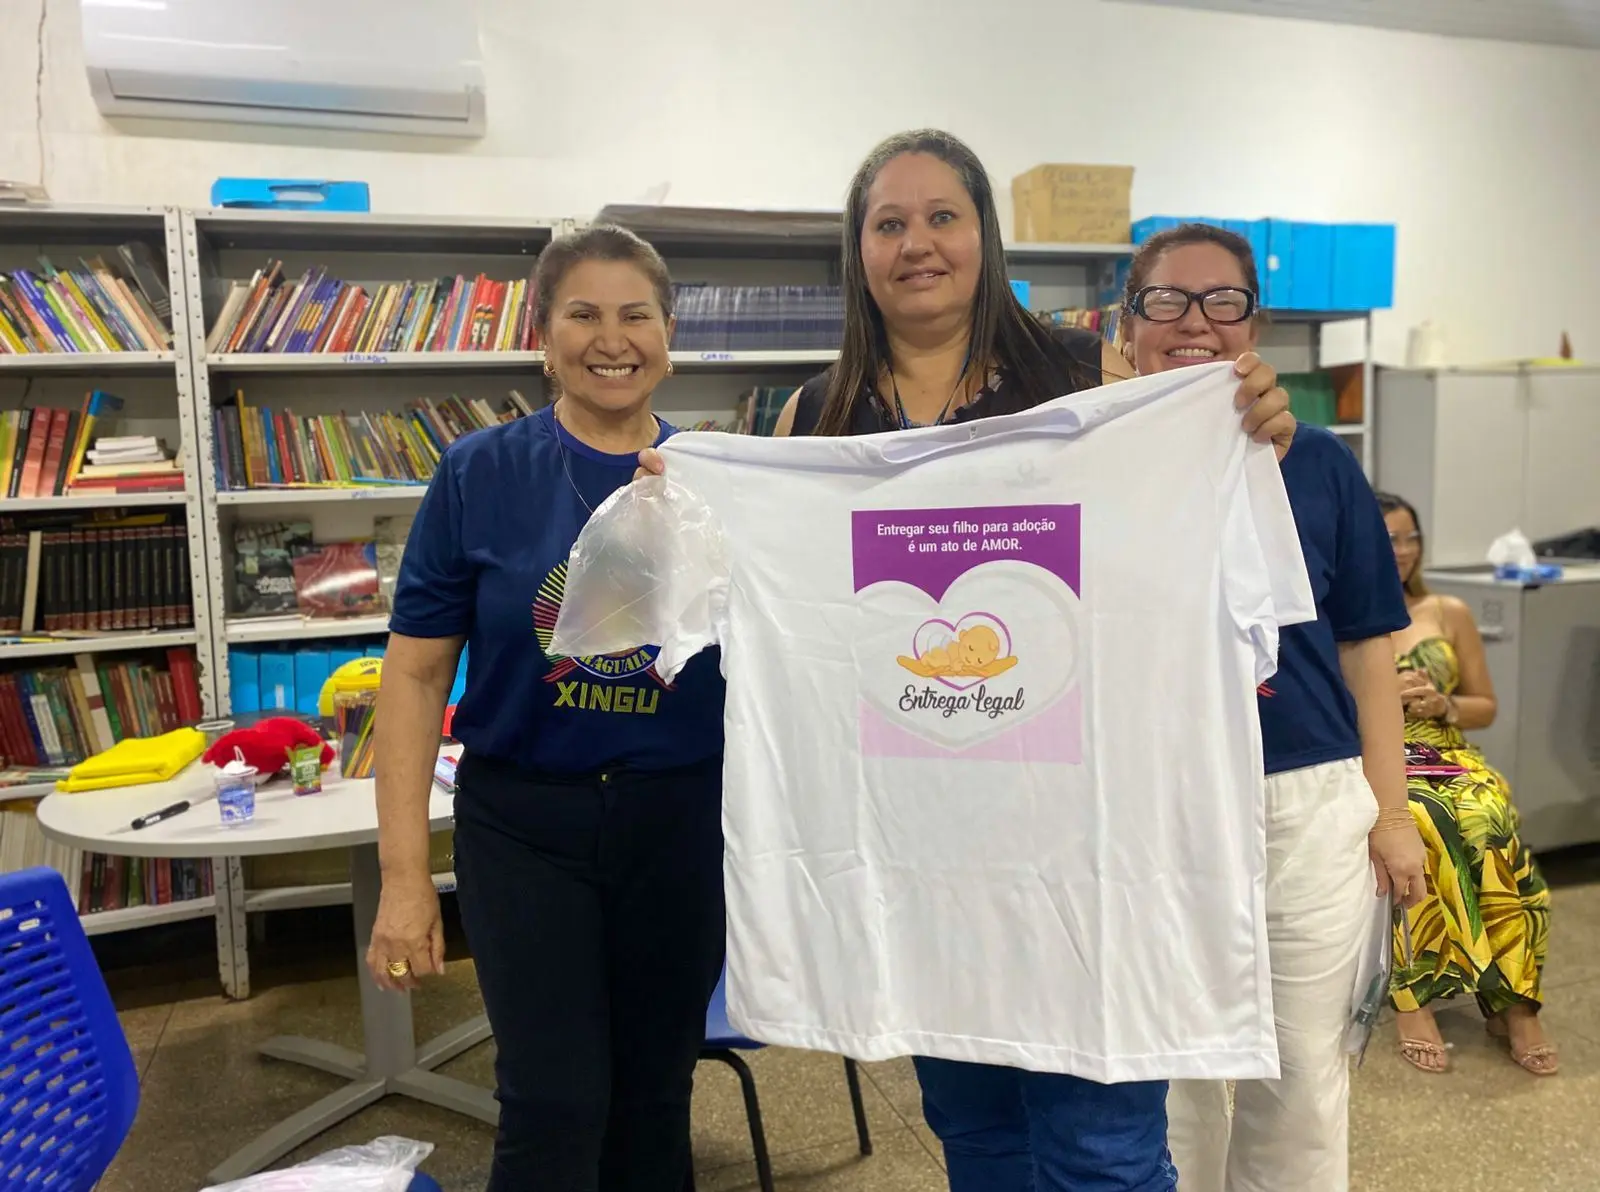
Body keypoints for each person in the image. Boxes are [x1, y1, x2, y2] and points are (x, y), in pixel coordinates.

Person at [642, 130, 1300, 1192]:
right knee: (976, 1132)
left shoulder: (1095, 377)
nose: (917, 243)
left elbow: (1170, 553)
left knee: (1102, 1150)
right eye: (888, 223)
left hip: (1082, 852)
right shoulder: (818, 416)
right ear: (856, 253)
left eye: (941, 216)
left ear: (984, 238)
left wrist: (1234, 433)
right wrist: (685, 495)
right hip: (926, 858)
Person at [367, 225, 728, 1192]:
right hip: (525, 827)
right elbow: (411, 679)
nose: (611, 340)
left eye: (635, 315)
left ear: (667, 333)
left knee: (657, 1097)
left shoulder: (726, 481)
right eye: (583, 315)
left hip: (681, 823)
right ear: (543, 335)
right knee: (553, 1103)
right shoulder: (479, 473)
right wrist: (405, 878)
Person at [1133, 224, 1426, 1192]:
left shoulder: (1321, 465)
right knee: (1165, 1071)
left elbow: (1365, 649)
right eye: (1166, 299)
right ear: (1127, 321)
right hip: (1154, 802)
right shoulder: (1095, 458)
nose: (1193, 323)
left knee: (1299, 1070)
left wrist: (1390, 816)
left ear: (1251, 320)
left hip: (1301, 796)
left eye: (1221, 301)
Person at [1377, 491, 1556, 1075]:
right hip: (1380, 758)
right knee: (1425, 823)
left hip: (1448, 750)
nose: (1401, 552)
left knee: (1489, 817)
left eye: (1410, 538)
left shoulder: (1446, 610)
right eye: (1387, 539)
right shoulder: (1334, 617)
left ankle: (1515, 1000)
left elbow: (1485, 706)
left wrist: (1443, 703)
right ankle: (1414, 995)